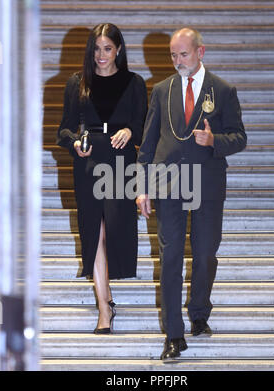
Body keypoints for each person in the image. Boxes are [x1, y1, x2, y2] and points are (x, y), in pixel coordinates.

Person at [136, 28, 247, 360]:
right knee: (170, 258)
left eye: (183, 54)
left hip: (208, 185)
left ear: (201, 52)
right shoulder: (160, 90)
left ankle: (199, 312)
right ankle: (173, 334)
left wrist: (215, 142)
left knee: (204, 255)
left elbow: (239, 137)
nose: (177, 60)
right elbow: (149, 142)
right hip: (167, 183)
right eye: (173, 54)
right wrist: (141, 188)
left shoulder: (223, 91)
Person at [57, 23, 147, 334]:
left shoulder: (135, 83)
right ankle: (104, 307)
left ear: (118, 49)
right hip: (89, 160)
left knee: (113, 229)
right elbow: (64, 130)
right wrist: (75, 143)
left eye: (107, 48)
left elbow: (143, 125)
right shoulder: (77, 83)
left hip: (121, 161)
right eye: (96, 49)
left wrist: (130, 131)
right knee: (94, 232)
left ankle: (107, 301)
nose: (101, 55)